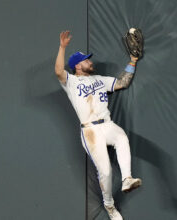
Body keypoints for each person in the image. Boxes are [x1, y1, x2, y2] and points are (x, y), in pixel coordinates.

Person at [54, 30, 142, 220]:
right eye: (86, 60)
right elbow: (58, 71)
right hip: (90, 131)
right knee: (106, 172)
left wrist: (133, 61)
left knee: (121, 137)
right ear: (77, 65)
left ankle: (127, 179)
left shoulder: (100, 79)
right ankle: (109, 206)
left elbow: (122, 83)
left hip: (107, 124)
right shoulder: (71, 82)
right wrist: (62, 47)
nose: (90, 62)